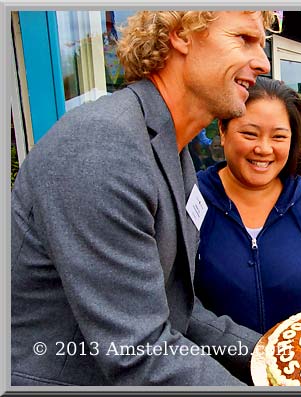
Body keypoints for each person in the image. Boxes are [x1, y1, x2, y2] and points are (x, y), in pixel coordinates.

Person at [11, 11, 274, 386]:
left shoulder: (172, 148)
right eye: (244, 39)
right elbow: (139, 352)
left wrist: (278, 355)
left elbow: (177, 312)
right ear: (181, 34)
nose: (262, 62)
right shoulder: (103, 145)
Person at [194, 77, 301, 334]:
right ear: (222, 130)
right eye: (249, 133)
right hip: (209, 369)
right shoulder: (192, 198)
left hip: (295, 368)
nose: (263, 149)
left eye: (278, 136)